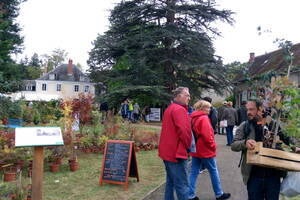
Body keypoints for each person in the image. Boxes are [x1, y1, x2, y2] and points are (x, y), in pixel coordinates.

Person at [231, 99, 290, 200]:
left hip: (273, 176)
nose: (248, 112)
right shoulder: (245, 126)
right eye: (247, 110)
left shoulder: (273, 125)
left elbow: (286, 141)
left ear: (260, 110)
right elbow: (234, 145)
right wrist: (245, 143)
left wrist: (294, 147)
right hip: (254, 177)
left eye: (251, 109)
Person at [188, 100, 231, 200]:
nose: (210, 109)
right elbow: (208, 136)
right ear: (202, 108)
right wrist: (213, 146)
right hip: (205, 149)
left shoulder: (193, 117)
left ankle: (190, 195)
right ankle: (219, 194)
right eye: (208, 107)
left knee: (194, 172)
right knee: (213, 170)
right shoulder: (203, 118)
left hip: (196, 148)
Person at [158, 87, 192, 200]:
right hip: (176, 154)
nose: (189, 98)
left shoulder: (170, 108)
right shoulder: (179, 110)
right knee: (182, 185)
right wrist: (188, 147)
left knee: (171, 182)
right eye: (187, 95)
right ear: (179, 96)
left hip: (167, 153)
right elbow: (185, 132)